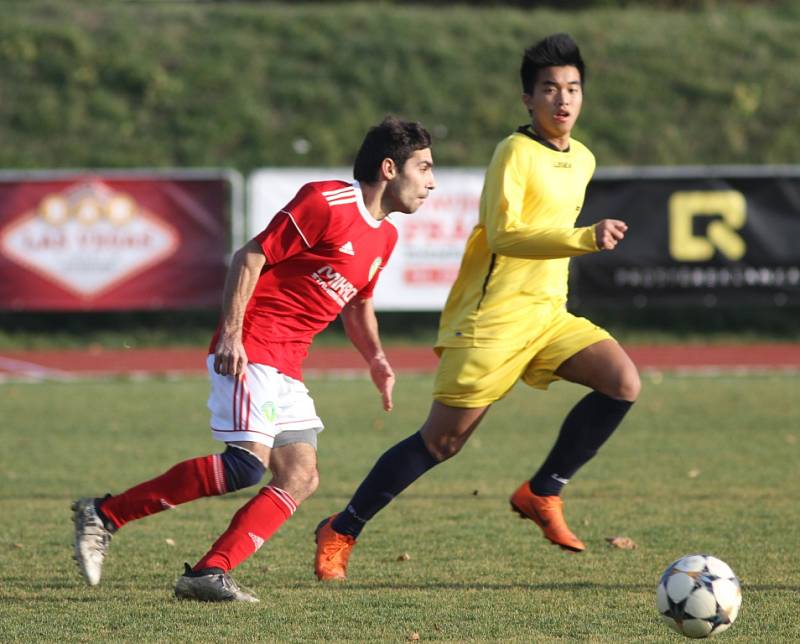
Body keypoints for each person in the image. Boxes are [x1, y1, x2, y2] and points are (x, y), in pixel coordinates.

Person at [314, 33, 641, 581]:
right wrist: (584, 238)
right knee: (441, 442)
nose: (563, 100)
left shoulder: (583, 158)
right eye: (549, 90)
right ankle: (342, 527)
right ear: (528, 100)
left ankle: (542, 492)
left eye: (573, 89)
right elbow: (507, 236)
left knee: (622, 382)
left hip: (549, 315)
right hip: (493, 321)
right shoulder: (513, 153)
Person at [71, 115, 436, 602]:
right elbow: (250, 256)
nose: (431, 182)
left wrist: (376, 359)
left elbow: (357, 303)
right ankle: (105, 514)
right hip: (254, 346)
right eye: (425, 167)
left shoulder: (385, 237)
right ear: (390, 168)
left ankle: (208, 573)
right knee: (246, 466)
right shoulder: (327, 202)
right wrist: (233, 334)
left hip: (287, 365)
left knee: (301, 476)